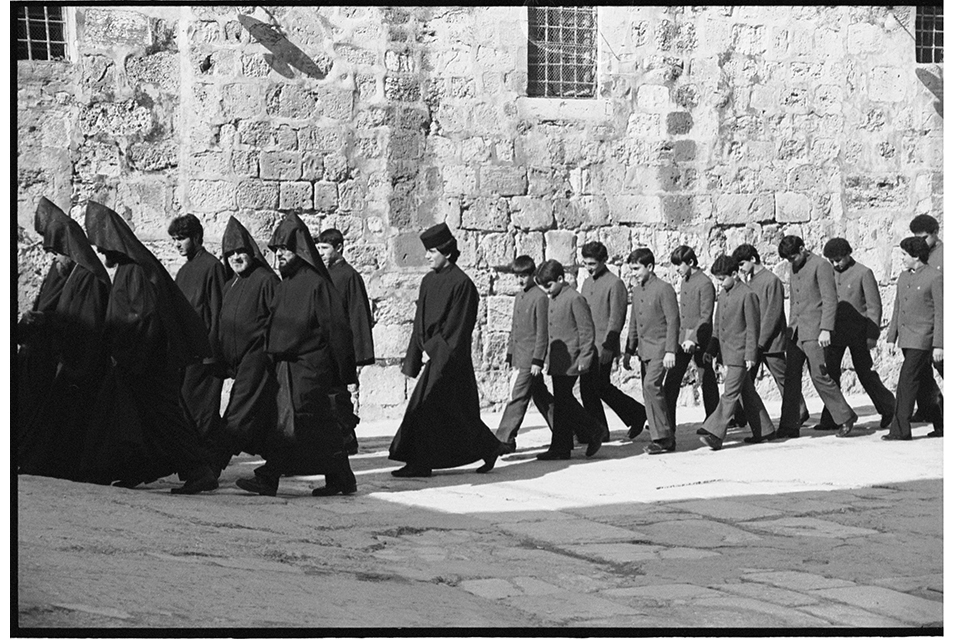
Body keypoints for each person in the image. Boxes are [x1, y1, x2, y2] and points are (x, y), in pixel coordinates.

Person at [80, 201, 219, 494]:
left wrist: (129, 356)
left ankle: (198, 470)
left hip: (149, 363)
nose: (101, 252)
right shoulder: (129, 268)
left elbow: (142, 319)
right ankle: (138, 468)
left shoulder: (135, 271)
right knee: (144, 419)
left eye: (103, 245)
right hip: (140, 362)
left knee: (166, 419)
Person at [235, 212, 359, 496]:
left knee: (299, 424)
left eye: (285, 250)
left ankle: (270, 477)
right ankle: (340, 478)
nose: (279, 255)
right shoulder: (285, 284)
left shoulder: (317, 284)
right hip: (286, 369)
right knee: (303, 426)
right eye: (276, 250)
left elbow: (337, 330)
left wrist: (344, 372)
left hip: (311, 369)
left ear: (300, 250)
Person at [389, 223, 507, 475]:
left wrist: (436, 355)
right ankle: (488, 447)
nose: (427, 256)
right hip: (433, 356)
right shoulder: (428, 281)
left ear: (447, 252)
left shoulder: (462, 284)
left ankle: (421, 463)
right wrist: (414, 356)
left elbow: (457, 329)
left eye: (431, 251)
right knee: (450, 414)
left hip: (450, 361)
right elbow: (419, 321)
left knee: (433, 410)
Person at [18, 202, 112, 480]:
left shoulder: (90, 278)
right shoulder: (72, 274)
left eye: (59, 254)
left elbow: (85, 324)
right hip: (69, 356)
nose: (56, 259)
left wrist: (46, 322)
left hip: (80, 361)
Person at [776, 235, 857, 438]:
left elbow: (830, 300)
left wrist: (826, 329)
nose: (791, 262)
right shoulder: (792, 267)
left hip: (815, 331)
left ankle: (845, 416)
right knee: (791, 378)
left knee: (819, 375)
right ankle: (789, 425)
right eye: (788, 259)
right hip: (795, 332)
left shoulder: (821, 266)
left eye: (793, 257)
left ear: (803, 249)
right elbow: (794, 300)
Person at [697, 256, 776, 451]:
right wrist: (711, 349)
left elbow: (752, 328)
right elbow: (718, 325)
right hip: (727, 353)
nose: (719, 283)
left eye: (722, 279)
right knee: (747, 393)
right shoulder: (723, 294)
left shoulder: (747, 295)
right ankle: (765, 430)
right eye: (717, 279)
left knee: (729, 394)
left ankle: (715, 433)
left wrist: (750, 355)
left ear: (734, 274)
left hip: (740, 354)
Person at [817, 238, 895, 433]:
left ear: (848, 254)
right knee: (831, 374)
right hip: (834, 333)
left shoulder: (863, 273)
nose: (835, 264)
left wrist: (872, 336)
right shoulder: (828, 274)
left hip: (858, 333)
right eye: (832, 261)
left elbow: (874, 307)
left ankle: (889, 409)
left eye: (838, 260)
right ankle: (832, 416)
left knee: (865, 373)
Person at [218, 216, 280, 462]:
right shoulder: (230, 283)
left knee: (237, 413)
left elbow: (278, 321)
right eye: (230, 253)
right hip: (239, 362)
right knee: (261, 419)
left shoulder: (266, 280)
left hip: (258, 359)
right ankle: (276, 464)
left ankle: (212, 466)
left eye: (241, 251)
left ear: (252, 252)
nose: (236, 257)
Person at [169, 214, 228, 468]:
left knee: (201, 413)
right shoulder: (183, 271)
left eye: (181, 238)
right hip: (187, 354)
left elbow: (218, 312)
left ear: (196, 237)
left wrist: (212, 355)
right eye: (174, 240)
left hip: (205, 355)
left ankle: (203, 468)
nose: (177, 244)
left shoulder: (212, 266)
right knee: (191, 412)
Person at [730, 244, 809, 429]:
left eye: (742, 263)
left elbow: (772, 315)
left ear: (753, 259)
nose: (740, 268)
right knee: (744, 380)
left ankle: (800, 410)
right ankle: (741, 415)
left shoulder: (771, 280)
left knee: (783, 379)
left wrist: (760, 342)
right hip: (755, 343)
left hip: (771, 343)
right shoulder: (749, 282)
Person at [533, 259, 604, 460]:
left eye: (549, 285)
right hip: (558, 360)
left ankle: (594, 429)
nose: (546, 291)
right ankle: (561, 447)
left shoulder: (574, 299)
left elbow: (586, 331)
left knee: (564, 400)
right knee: (563, 403)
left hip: (573, 359)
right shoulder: (552, 299)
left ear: (561, 279)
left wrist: (585, 357)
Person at [578, 241, 647, 441]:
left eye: (592, 264)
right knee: (590, 389)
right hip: (588, 346)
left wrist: (609, 346)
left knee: (598, 387)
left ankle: (603, 428)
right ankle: (603, 427)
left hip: (603, 346)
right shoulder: (587, 282)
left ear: (604, 261)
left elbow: (616, 318)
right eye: (586, 264)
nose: (588, 268)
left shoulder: (614, 283)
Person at [17, 197, 73, 439]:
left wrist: (43, 320)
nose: (54, 256)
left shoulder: (73, 272)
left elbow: (69, 314)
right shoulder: (56, 268)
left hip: (51, 349)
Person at [318, 227, 375, 456]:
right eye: (319, 248)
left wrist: (358, 354)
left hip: (340, 350)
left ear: (339, 248)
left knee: (339, 397)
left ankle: (347, 438)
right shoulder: (323, 274)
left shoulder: (349, 276)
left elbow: (358, 314)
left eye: (325, 248)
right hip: (324, 348)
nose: (321, 252)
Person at [884, 237, 943, 440]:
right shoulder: (903, 277)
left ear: (916, 256)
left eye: (904, 255)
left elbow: (941, 313)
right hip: (907, 339)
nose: (902, 259)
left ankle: (900, 429)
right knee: (925, 383)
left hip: (923, 339)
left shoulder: (935, 277)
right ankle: (942, 422)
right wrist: (891, 338)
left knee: (907, 381)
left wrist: (939, 344)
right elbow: (898, 308)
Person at [623, 248, 680, 455]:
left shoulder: (664, 289)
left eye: (637, 269)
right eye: (632, 269)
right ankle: (661, 436)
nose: (634, 273)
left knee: (651, 385)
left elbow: (674, 321)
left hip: (661, 348)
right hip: (644, 350)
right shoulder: (638, 291)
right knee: (648, 392)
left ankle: (665, 436)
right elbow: (634, 322)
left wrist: (671, 351)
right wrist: (629, 349)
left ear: (650, 267)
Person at [494, 255, 554, 453]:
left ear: (533, 274)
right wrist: (510, 354)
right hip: (521, 356)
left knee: (518, 396)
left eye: (524, 276)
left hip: (531, 359)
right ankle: (574, 429)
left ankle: (505, 438)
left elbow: (542, 332)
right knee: (542, 397)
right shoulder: (519, 297)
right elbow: (515, 327)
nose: (520, 280)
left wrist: (538, 359)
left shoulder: (540, 297)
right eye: (517, 276)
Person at [663, 245, 719, 429]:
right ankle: (667, 423)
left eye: (679, 265)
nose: (677, 269)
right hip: (682, 339)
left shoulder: (705, 283)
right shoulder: (685, 280)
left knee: (707, 380)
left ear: (691, 262)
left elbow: (705, 316)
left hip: (699, 339)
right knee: (672, 381)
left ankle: (713, 421)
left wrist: (694, 339)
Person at [908, 214, 943, 424]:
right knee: (920, 370)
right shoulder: (917, 256)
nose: (920, 242)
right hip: (921, 324)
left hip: (940, 320)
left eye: (924, 237)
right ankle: (929, 409)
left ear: (935, 233)